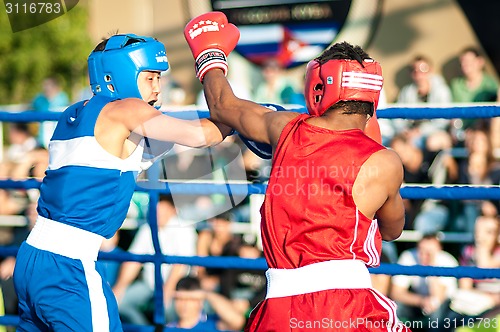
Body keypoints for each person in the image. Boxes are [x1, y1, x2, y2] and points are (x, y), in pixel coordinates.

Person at [184, 12, 409, 331]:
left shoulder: (283, 128)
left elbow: (221, 104)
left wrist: (211, 54)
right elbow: (392, 229)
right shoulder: (385, 161)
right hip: (349, 306)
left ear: (318, 88)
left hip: (282, 305)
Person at [13, 33, 233, 331]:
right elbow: (200, 136)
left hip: (31, 258)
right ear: (119, 76)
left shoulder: (75, 114)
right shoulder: (127, 110)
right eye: (151, 78)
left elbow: (153, 145)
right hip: (70, 265)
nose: (158, 89)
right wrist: (241, 103)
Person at [112, 194, 197, 325]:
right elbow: (133, 260)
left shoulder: (184, 228)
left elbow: (180, 265)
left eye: (162, 208)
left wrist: (167, 291)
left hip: (178, 289)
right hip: (149, 286)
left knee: (168, 311)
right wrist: (119, 288)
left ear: (172, 210)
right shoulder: (148, 227)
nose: (157, 212)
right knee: (117, 303)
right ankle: (145, 328)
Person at [391, 234, 458, 330]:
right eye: (421, 250)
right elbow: (396, 293)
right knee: (396, 307)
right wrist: (421, 301)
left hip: (445, 304)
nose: (424, 255)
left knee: (436, 313)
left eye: (429, 252)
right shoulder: (408, 257)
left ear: (439, 250)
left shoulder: (448, 261)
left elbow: (438, 298)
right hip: (418, 301)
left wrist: (431, 268)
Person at [166, 276, 246, 331]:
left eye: (190, 299)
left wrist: (206, 294)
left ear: (200, 301)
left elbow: (237, 321)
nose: (184, 304)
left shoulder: (212, 323)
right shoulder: (168, 328)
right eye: (180, 299)